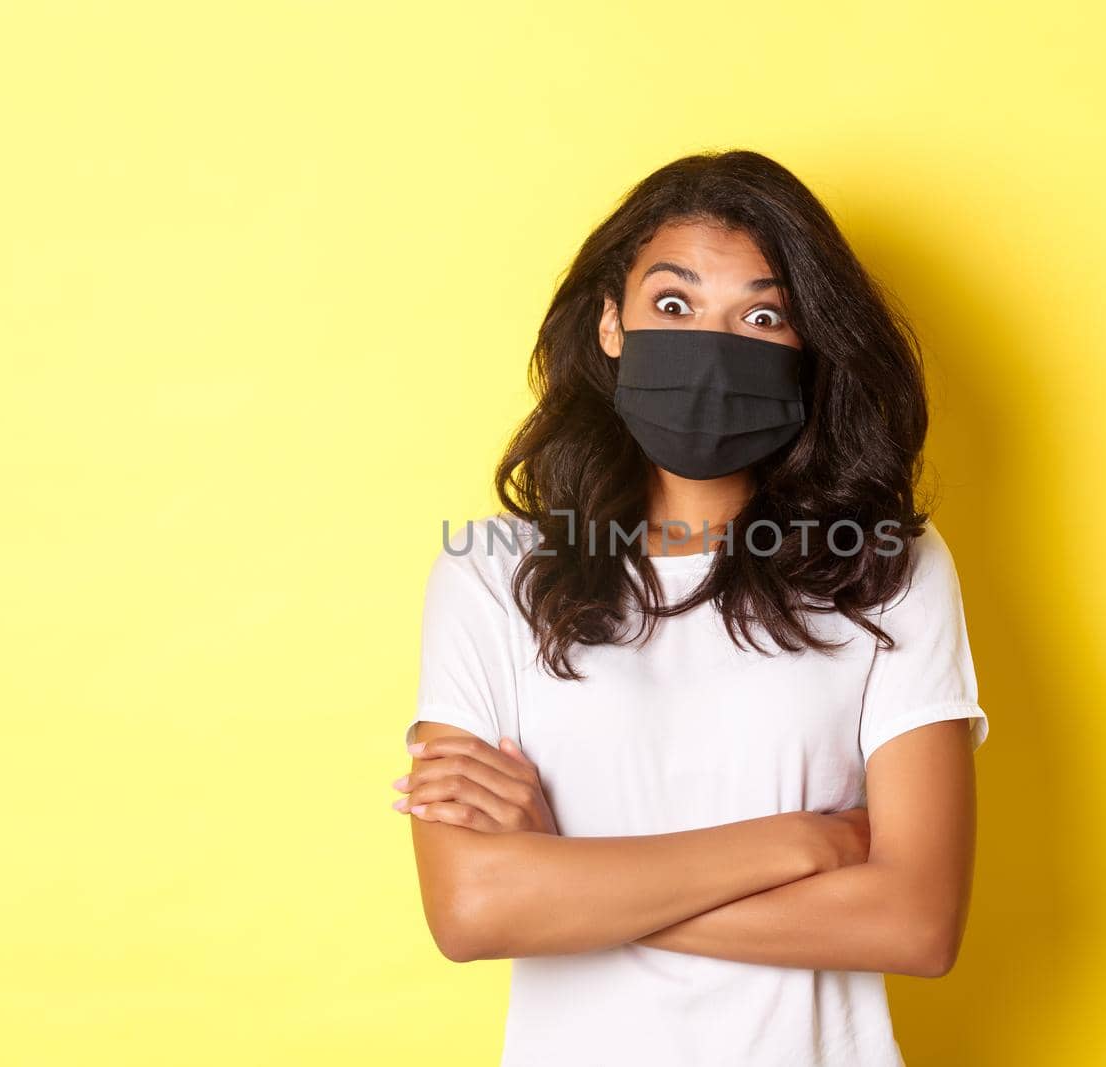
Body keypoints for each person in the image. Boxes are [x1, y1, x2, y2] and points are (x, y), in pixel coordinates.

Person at [391, 149, 989, 1067]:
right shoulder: (493, 575)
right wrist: (800, 841)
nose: (712, 349)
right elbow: (471, 910)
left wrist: (567, 880)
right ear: (610, 325)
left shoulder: (885, 566)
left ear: (808, 350)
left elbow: (915, 923)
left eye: (761, 315)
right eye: (673, 305)